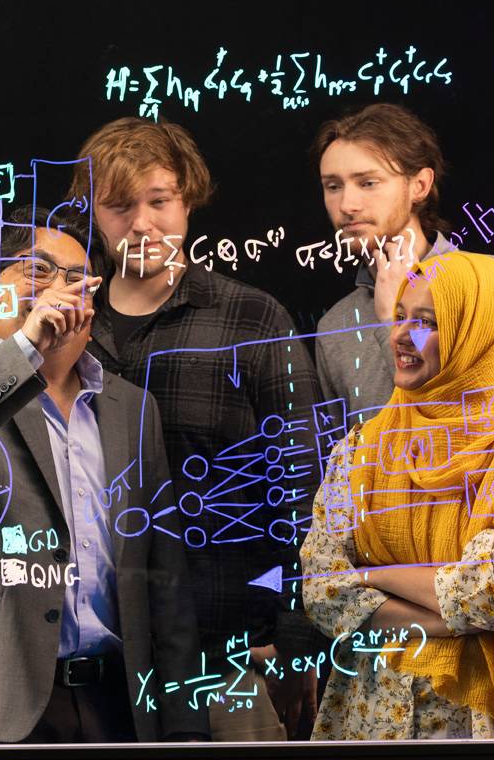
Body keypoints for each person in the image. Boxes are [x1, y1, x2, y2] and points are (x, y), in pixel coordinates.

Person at [0, 207, 208, 744]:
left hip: (114, 703)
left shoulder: (132, 407)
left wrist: (186, 724)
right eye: (37, 271)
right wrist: (26, 346)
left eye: (77, 279)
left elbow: (162, 576)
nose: (59, 290)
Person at [71, 117, 324, 740]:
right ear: (92, 213)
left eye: (159, 202)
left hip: (231, 657)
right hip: (95, 662)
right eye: (119, 206)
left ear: (188, 201)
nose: (142, 224)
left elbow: (309, 482)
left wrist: (295, 639)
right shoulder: (64, 326)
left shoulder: (252, 317)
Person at [301, 251, 494, 739]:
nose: (401, 337)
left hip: (492, 724)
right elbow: (322, 589)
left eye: (427, 322)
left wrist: (372, 576)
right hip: (374, 715)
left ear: (479, 333)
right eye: (401, 316)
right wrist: (451, 616)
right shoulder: (362, 450)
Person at [312, 103, 494, 426]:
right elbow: (346, 459)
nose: (347, 205)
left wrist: (395, 318)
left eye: (368, 183)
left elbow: (481, 423)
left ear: (419, 185)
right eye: (333, 186)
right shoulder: (335, 327)